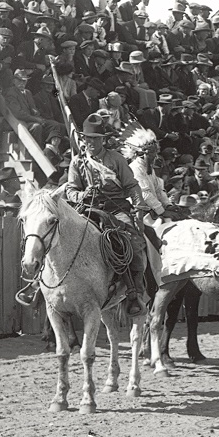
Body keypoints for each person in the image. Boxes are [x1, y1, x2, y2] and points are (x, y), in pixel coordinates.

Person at [65, 114, 149, 318]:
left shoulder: (116, 159)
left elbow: (132, 186)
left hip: (116, 210)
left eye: (96, 139)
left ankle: (134, 293)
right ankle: (45, 289)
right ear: (83, 139)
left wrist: (138, 209)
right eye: (88, 138)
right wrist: (82, 195)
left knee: (133, 244)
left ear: (103, 139)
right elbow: (70, 190)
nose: (92, 142)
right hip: (88, 210)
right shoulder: (78, 162)